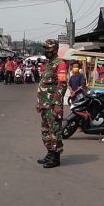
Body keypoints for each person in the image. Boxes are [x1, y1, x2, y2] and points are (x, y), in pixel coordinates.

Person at [36, 39, 68, 168]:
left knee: (54, 130)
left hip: (53, 105)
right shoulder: (48, 64)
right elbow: (43, 85)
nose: (46, 51)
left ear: (55, 50)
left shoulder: (60, 64)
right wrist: (39, 103)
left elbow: (62, 84)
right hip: (45, 104)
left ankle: (56, 157)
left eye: (48, 49)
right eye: (45, 49)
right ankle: (49, 153)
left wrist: (57, 104)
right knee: (46, 130)